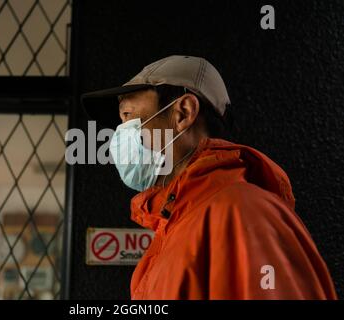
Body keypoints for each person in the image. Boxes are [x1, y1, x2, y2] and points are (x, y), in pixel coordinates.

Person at [81, 55, 337, 299]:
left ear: (182, 113)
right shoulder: (175, 224)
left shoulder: (244, 213)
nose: (120, 134)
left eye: (128, 116)